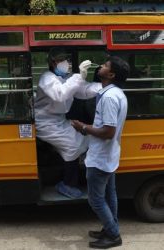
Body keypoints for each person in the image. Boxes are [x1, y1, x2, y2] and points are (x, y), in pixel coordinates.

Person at [72, 56, 129, 249]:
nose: (101, 67)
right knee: (109, 195)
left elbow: (108, 131)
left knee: (95, 200)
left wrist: (83, 127)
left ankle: (113, 234)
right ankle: (109, 227)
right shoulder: (115, 93)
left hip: (101, 157)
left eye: (105, 66)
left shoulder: (110, 98)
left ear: (111, 74)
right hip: (109, 155)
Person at [34, 48, 101, 198]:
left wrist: (104, 87)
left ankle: (76, 175)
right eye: (61, 59)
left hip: (59, 121)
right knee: (72, 146)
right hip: (45, 123)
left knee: (85, 139)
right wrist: (79, 76)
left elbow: (83, 91)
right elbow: (60, 94)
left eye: (67, 59)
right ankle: (67, 184)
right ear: (53, 63)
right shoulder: (47, 78)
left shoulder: (66, 78)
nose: (66, 63)